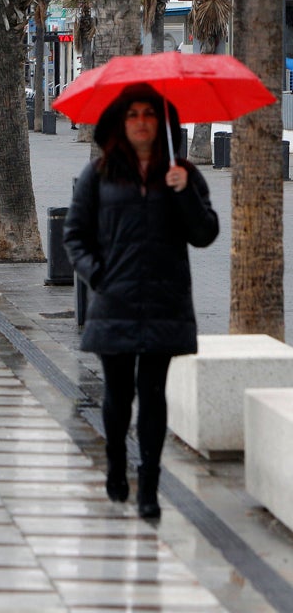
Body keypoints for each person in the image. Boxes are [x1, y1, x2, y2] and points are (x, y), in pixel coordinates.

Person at [63, 83, 218, 521]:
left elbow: (205, 234)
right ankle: (116, 461)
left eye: (150, 113)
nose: (142, 122)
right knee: (118, 393)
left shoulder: (182, 172)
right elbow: (74, 235)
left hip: (165, 303)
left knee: (153, 396)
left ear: (163, 121)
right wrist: (100, 277)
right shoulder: (101, 173)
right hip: (115, 303)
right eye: (132, 114)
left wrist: (184, 191)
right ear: (120, 121)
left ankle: (149, 483)